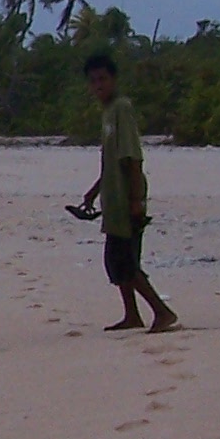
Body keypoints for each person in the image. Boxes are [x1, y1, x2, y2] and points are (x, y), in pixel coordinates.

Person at [72, 52, 180, 333]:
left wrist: (136, 200)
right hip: (112, 196)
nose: (98, 85)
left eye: (103, 79)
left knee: (124, 260)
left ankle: (162, 311)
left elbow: (133, 158)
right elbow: (110, 159)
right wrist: (94, 191)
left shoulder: (122, 108)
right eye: (93, 80)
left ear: (113, 79)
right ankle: (132, 314)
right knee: (116, 261)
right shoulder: (107, 112)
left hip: (125, 197)